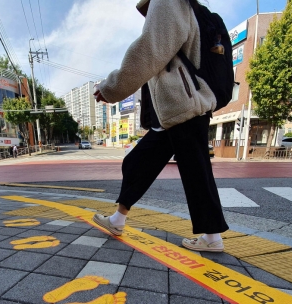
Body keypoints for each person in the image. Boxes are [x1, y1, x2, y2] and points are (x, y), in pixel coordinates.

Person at [92, 0, 229, 252]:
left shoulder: (168, 0)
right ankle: (118, 219)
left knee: (195, 172)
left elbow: (149, 50)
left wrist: (111, 87)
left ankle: (212, 238)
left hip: (184, 104)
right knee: (139, 162)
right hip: (178, 107)